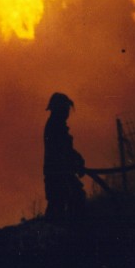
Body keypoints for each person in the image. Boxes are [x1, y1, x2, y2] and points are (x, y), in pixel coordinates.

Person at [43, 92, 86, 222]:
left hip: (59, 173)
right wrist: (76, 161)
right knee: (62, 207)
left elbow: (66, 150)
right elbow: (62, 151)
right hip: (58, 174)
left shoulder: (56, 126)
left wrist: (77, 160)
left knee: (62, 205)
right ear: (59, 109)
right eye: (66, 108)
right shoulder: (55, 127)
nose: (68, 112)